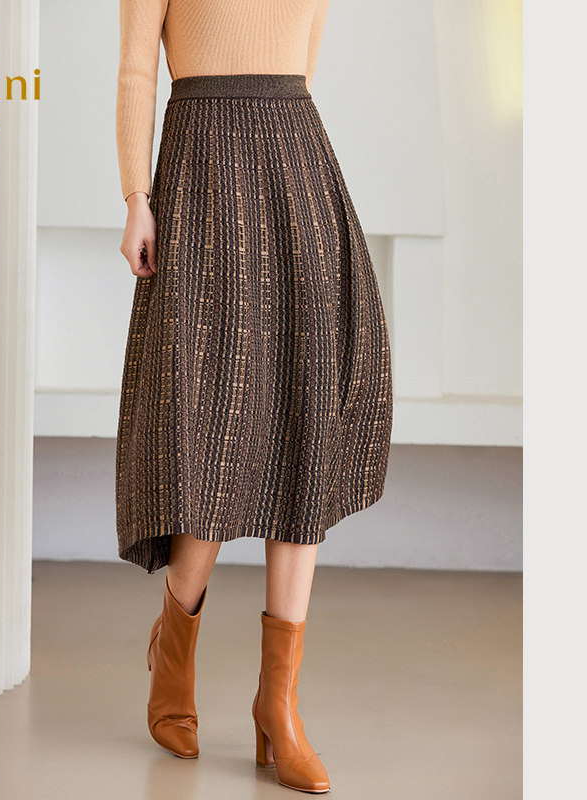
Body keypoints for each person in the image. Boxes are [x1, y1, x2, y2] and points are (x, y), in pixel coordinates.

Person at [114, 0, 393, 793]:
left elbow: (302, 66)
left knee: (306, 420)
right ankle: (174, 643)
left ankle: (280, 703)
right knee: (211, 424)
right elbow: (137, 68)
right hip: (202, 168)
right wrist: (137, 196)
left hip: (297, 166)